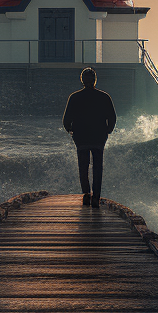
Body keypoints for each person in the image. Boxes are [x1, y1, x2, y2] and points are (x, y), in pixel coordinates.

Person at [62, 68, 116, 208]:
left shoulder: (74, 97)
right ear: (95, 80)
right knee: (97, 168)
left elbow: (66, 120)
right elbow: (112, 117)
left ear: (82, 80)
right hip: (98, 137)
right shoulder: (104, 97)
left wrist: (71, 131)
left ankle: (86, 194)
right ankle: (96, 197)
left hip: (81, 137)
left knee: (83, 166)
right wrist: (108, 130)